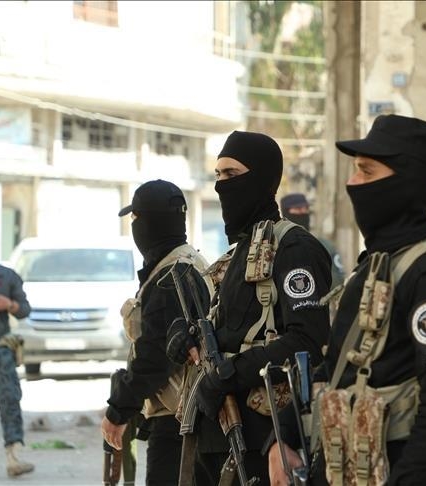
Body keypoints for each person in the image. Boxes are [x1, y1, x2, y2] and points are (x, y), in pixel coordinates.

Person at [268, 114, 426, 486]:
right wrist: (281, 437)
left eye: (366, 171)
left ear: (405, 183)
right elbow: (333, 369)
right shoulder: (376, 265)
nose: (353, 182)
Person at [166, 130, 332, 485]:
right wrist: (184, 334)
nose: (221, 185)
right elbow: (221, 326)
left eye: (232, 174)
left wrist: (231, 373)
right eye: (218, 174)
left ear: (263, 178)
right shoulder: (240, 252)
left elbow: (309, 340)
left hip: (262, 434)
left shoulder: (294, 248)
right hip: (216, 431)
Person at [101, 180, 211, 486]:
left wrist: (119, 409)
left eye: (136, 218)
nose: (134, 226)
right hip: (191, 415)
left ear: (149, 223)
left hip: (177, 423)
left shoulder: (171, 277)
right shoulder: (188, 262)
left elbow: (155, 356)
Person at [0, 241, 34, 477]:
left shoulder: (7, 276)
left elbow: (25, 309)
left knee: (9, 401)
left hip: (0, 349)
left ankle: (13, 457)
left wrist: (9, 304)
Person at [280, 193, 345, 289]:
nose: (303, 212)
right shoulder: (278, 246)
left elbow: (337, 280)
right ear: (286, 212)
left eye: (306, 208)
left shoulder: (324, 245)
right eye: (298, 209)